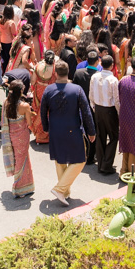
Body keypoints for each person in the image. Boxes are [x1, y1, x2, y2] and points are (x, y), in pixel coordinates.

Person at [41, 59, 96, 205]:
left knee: (60, 160)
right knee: (80, 160)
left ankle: (64, 191)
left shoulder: (48, 90)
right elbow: (86, 112)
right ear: (68, 73)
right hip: (73, 129)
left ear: (55, 73)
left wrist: (46, 128)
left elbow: (42, 111)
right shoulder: (77, 89)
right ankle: (61, 189)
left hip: (55, 129)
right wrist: (91, 131)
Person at [0, 80, 34, 198]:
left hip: (11, 135)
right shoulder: (24, 106)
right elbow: (29, 123)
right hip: (23, 136)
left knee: (20, 159)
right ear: (20, 92)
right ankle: (18, 187)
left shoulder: (6, 102)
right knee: (21, 160)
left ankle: (27, 186)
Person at [89, 54, 120, 175]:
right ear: (112, 65)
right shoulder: (113, 80)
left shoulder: (95, 77)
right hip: (110, 110)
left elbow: (91, 95)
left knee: (101, 136)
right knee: (113, 137)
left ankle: (102, 163)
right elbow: (116, 100)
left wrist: (94, 107)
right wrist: (119, 113)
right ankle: (106, 165)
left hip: (98, 109)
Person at [29, 50, 57, 144]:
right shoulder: (54, 68)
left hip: (39, 93)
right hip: (51, 93)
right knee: (49, 113)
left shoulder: (37, 66)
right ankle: (48, 135)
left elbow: (32, 82)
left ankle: (39, 135)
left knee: (39, 111)